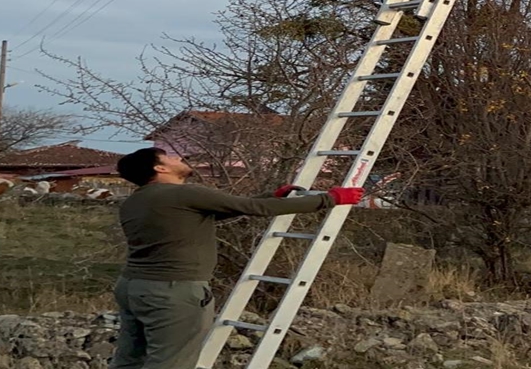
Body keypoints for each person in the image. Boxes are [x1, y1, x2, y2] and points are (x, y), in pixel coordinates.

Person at [111, 147, 363, 369]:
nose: (178, 157)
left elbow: (224, 210)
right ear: (160, 167)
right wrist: (329, 199)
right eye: (168, 156)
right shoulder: (182, 194)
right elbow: (255, 210)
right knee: (170, 361)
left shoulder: (135, 202)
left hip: (133, 287)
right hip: (174, 291)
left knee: (129, 359)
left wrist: (271, 197)